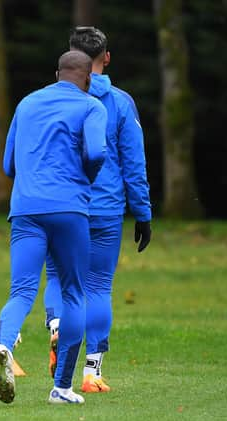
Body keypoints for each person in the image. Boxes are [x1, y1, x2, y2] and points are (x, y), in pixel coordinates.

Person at [0, 50, 106, 405]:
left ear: (57, 73)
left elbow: (9, 164)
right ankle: (62, 387)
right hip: (70, 209)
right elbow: (98, 153)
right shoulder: (91, 106)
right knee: (73, 293)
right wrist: (84, 176)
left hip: (25, 209)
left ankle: (3, 347)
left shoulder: (26, 104)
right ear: (87, 78)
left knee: (21, 291)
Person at [43, 26, 152, 393]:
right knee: (99, 286)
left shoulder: (51, 100)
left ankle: (57, 328)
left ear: (70, 56)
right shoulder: (121, 103)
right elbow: (134, 165)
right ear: (106, 58)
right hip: (105, 209)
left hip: (61, 205)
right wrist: (143, 213)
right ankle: (92, 372)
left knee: (59, 279)